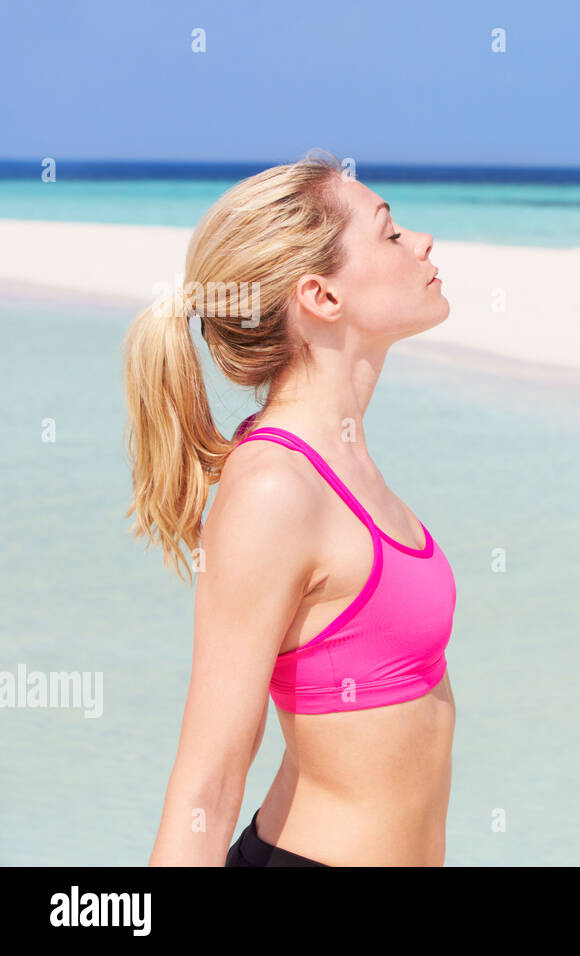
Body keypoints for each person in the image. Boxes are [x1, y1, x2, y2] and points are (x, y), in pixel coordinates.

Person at [122, 151, 458, 865]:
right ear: (322, 297)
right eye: (391, 233)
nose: (422, 243)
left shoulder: (346, 461)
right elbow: (206, 787)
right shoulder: (274, 488)